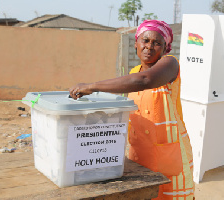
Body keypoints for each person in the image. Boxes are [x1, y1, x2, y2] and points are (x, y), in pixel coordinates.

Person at [69, 20, 194, 200]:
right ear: (136, 43)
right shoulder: (135, 71)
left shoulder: (170, 65)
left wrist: (92, 86)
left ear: (166, 48)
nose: (149, 46)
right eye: (145, 40)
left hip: (169, 154)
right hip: (139, 154)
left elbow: (144, 81)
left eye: (157, 43)